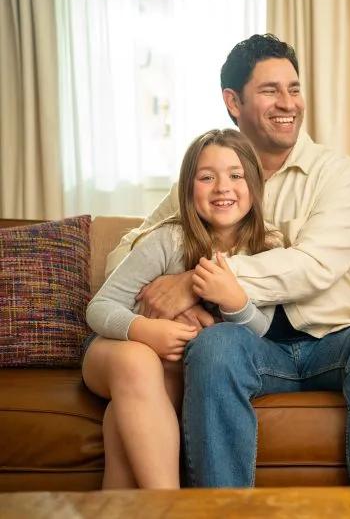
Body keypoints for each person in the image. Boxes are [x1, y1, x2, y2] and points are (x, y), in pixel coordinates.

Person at [105, 34, 350, 487]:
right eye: (270, 91)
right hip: (249, 344)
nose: (287, 103)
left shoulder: (341, 175)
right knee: (213, 347)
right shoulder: (214, 178)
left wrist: (196, 280)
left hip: (337, 337)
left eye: (293, 89)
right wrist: (168, 285)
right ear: (233, 102)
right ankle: (222, 515)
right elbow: (129, 249)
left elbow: (313, 266)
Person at [83, 128, 280, 488]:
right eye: (207, 177)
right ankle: (171, 506)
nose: (222, 187)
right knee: (137, 361)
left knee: (120, 420)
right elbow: (100, 307)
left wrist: (233, 303)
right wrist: (147, 331)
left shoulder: (267, 249)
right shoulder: (168, 240)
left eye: (236, 176)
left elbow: (261, 329)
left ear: (255, 185)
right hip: (113, 354)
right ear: (188, 189)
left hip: (171, 375)